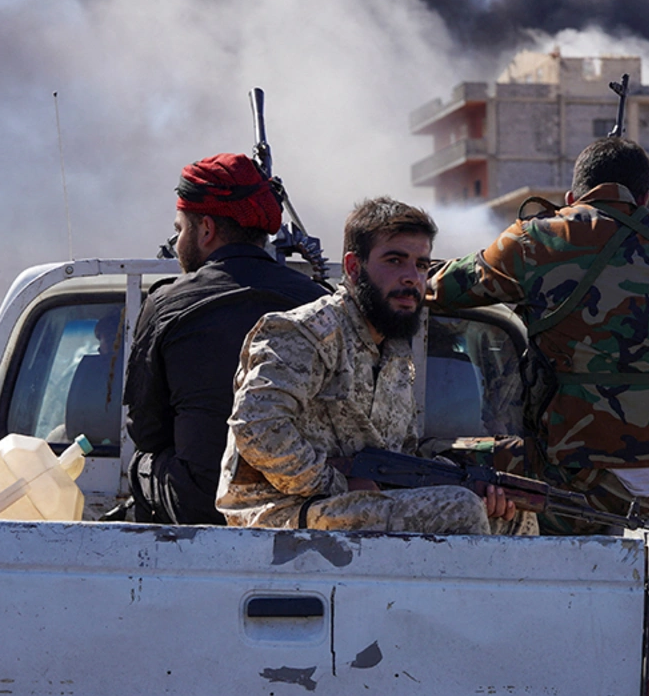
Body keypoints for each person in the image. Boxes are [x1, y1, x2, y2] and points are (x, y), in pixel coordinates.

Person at [427, 136, 649, 533]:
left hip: (579, 488)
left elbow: (437, 288)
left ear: (571, 198)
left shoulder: (540, 237)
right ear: (645, 199)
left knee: (428, 459)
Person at [216, 197, 517, 534]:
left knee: (512, 516)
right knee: (460, 509)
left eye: (421, 265)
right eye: (394, 261)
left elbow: (399, 459)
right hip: (280, 511)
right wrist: (334, 483)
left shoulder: (396, 354)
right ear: (353, 267)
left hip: (352, 508)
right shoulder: (305, 333)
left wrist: (461, 480)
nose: (411, 278)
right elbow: (257, 425)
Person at [123, 153, 327, 525]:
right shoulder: (319, 303)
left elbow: (146, 430)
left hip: (199, 506)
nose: (178, 241)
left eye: (180, 229)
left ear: (205, 229)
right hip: (296, 506)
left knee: (142, 463)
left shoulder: (167, 303)